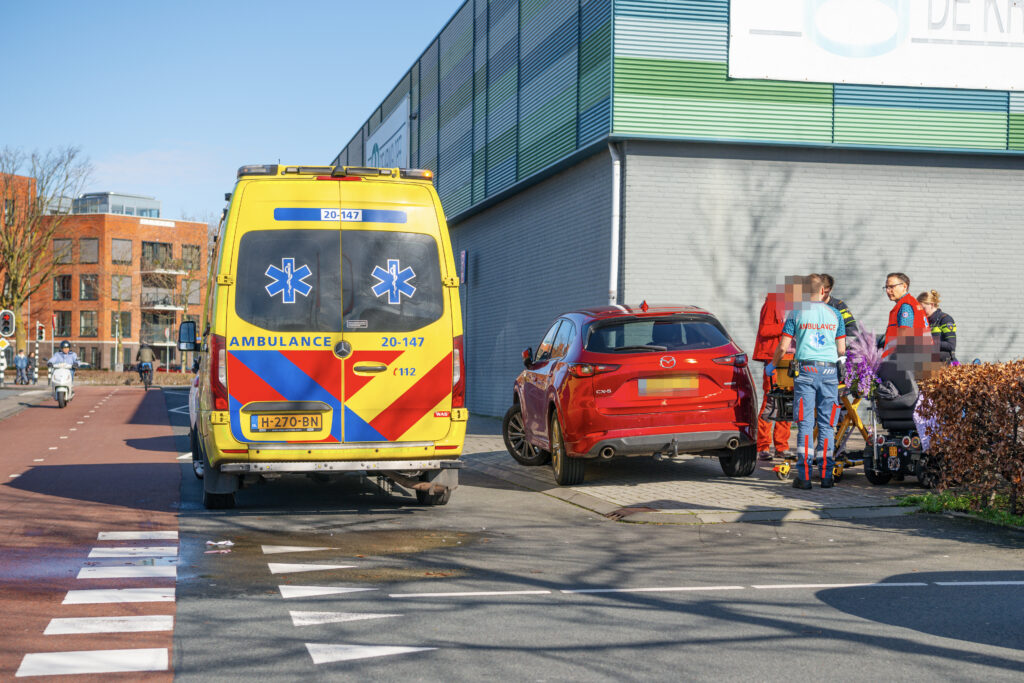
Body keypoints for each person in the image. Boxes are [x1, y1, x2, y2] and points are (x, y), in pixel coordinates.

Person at [768, 274, 846, 490]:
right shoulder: (836, 314)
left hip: (805, 372)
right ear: (823, 291)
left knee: (804, 423)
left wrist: (772, 365)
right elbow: (841, 349)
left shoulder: (796, 313)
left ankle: (803, 478)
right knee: (827, 424)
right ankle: (826, 476)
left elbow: (783, 347)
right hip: (829, 372)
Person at [752, 282, 794, 461]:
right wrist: (790, 326)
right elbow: (765, 330)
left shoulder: (788, 307)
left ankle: (781, 447)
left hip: (790, 359)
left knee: (786, 402)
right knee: (771, 401)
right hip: (774, 358)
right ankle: (763, 446)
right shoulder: (773, 303)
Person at [881, 272, 929, 359]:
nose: (888, 291)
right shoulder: (912, 303)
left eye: (891, 287)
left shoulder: (905, 306)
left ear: (904, 286)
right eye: (886, 287)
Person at [917, 290, 956, 363]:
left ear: (931, 304)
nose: (921, 311)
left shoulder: (945, 319)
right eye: (919, 309)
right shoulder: (923, 321)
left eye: (923, 308)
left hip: (942, 363)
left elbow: (951, 345)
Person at [817, 273, 859, 338]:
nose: (822, 295)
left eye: (825, 292)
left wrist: (835, 334)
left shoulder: (839, 306)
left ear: (830, 290)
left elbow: (852, 329)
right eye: (819, 291)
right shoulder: (808, 305)